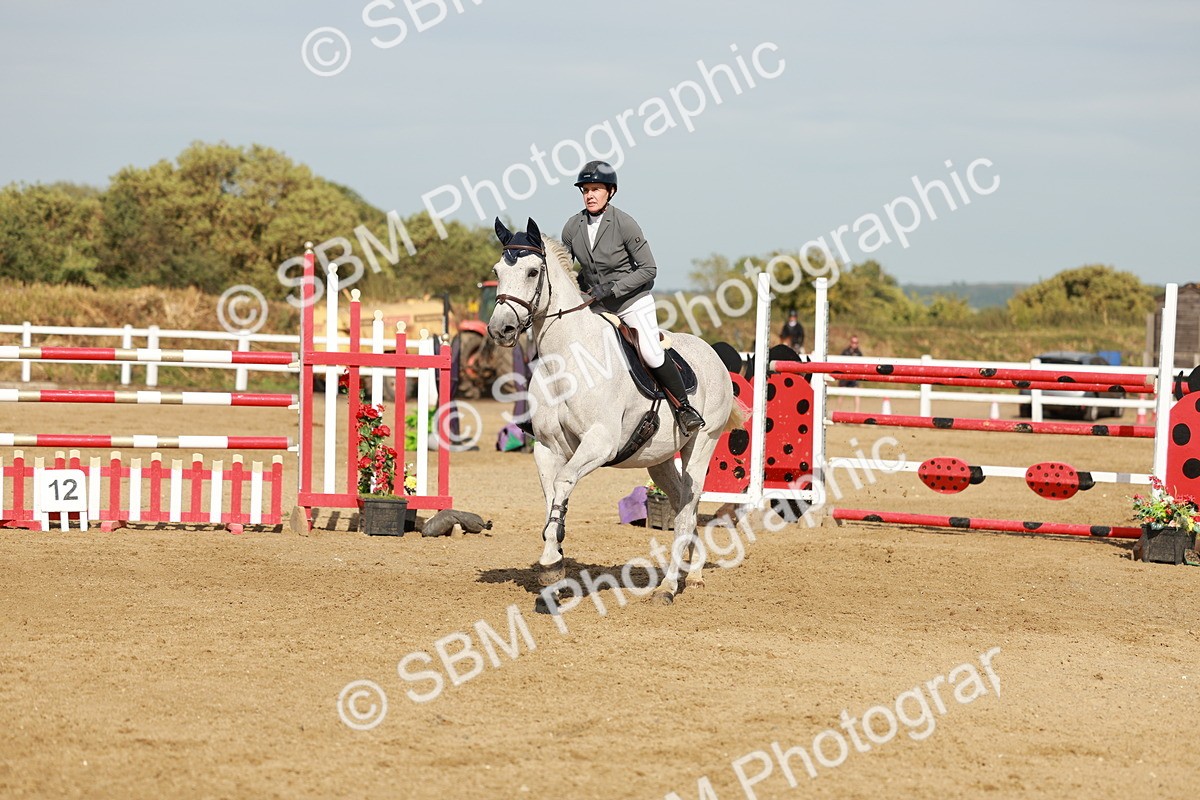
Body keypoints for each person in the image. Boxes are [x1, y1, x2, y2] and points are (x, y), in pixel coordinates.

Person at [561, 160, 705, 434]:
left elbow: (649, 270)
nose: (589, 195)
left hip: (631, 303)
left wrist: (613, 289)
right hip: (596, 305)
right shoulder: (572, 227)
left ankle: (684, 408)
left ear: (610, 192)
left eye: (596, 189)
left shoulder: (625, 224)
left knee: (650, 353)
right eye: (585, 190)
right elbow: (568, 271)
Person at [838, 335, 863, 412]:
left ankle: (857, 413)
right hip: (845, 375)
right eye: (853, 342)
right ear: (850, 343)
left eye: (856, 342)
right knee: (841, 394)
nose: (854, 344)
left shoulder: (859, 353)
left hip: (854, 376)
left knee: (856, 394)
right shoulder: (845, 352)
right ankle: (837, 411)